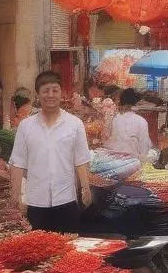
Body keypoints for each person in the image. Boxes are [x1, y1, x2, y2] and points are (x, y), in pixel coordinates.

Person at [10, 70, 93, 233]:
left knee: (69, 250)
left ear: (61, 93)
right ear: (37, 94)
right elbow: (18, 162)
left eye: (55, 90)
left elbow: (81, 160)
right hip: (36, 203)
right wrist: (16, 196)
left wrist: (86, 188)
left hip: (66, 201)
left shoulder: (74, 124)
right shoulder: (26, 126)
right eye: (45, 91)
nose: (50, 95)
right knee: (39, 253)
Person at [103, 89, 151, 161]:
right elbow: (144, 146)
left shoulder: (115, 118)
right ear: (137, 104)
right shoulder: (141, 121)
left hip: (113, 158)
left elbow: (108, 138)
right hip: (132, 161)